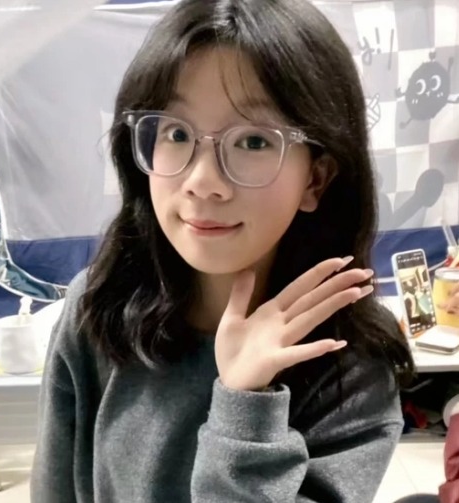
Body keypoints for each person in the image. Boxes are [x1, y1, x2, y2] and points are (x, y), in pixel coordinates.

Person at [30, 0, 415, 502]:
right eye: (176, 133)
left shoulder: (349, 366)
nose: (202, 181)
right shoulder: (98, 308)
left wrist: (245, 406)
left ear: (315, 178)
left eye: (253, 141)